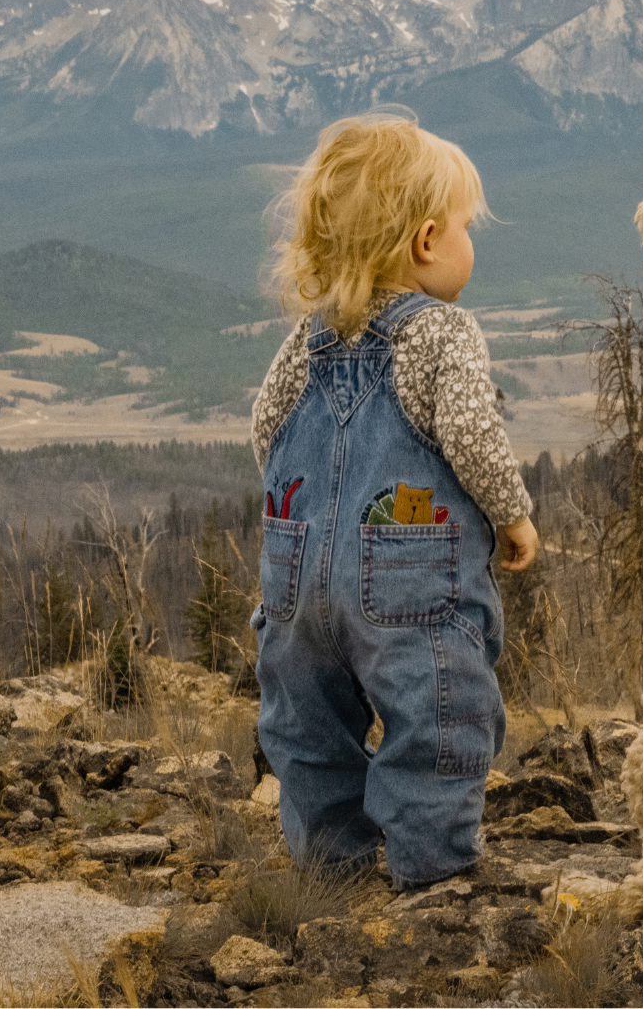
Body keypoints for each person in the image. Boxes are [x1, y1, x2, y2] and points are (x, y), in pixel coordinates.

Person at [250, 110, 538, 890]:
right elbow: (473, 436)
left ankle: (329, 869)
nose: (469, 247)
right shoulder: (442, 334)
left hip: (295, 580)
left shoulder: (309, 338)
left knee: (306, 725)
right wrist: (512, 515)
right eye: (465, 230)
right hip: (407, 580)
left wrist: (304, 526)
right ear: (424, 241)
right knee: (437, 717)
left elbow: (266, 432)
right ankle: (434, 874)